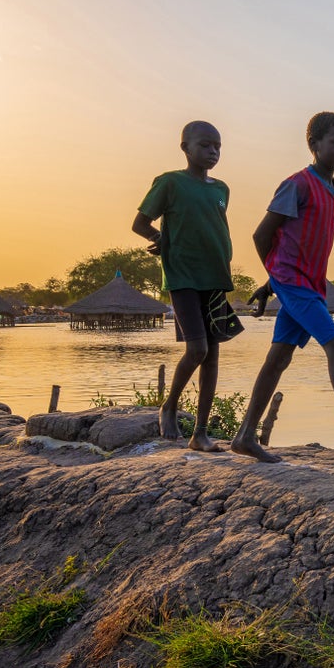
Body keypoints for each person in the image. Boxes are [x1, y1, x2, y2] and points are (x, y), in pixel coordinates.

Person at [231, 112, 334, 464]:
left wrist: (270, 283)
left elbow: (303, 243)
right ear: (314, 144)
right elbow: (262, 235)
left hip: (307, 285)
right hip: (295, 283)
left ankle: (245, 436)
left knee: (278, 359)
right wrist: (278, 278)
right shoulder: (298, 185)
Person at [132, 120, 234, 452]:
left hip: (215, 277)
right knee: (197, 349)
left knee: (213, 358)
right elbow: (140, 223)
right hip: (183, 276)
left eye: (218, 146)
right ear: (185, 148)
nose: (213, 151)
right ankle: (170, 407)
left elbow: (215, 228)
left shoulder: (221, 189)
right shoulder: (171, 183)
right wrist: (158, 237)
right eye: (205, 145)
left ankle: (200, 433)